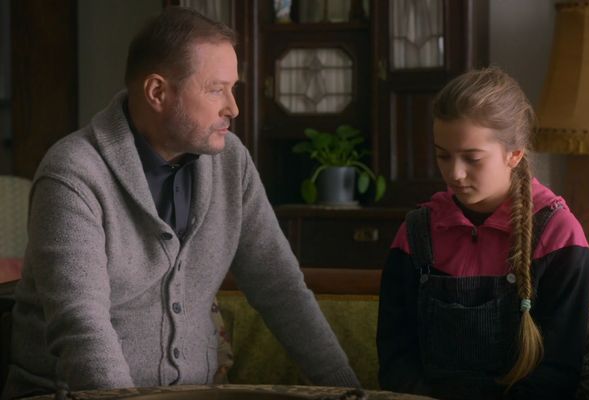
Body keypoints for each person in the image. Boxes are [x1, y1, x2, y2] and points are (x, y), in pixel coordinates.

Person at [2, 7, 360, 399]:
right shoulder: (73, 173)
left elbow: (280, 287)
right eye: (216, 90)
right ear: (157, 92)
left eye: (233, 88)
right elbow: (81, 326)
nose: (233, 108)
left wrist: (349, 390)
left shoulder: (231, 161)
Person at [376, 67, 589, 399]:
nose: (455, 174)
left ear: (514, 154)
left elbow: (559, 369)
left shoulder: (559, 234)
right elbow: (395, 355)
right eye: (443, 155)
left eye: (472, 159)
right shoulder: (416, 231)